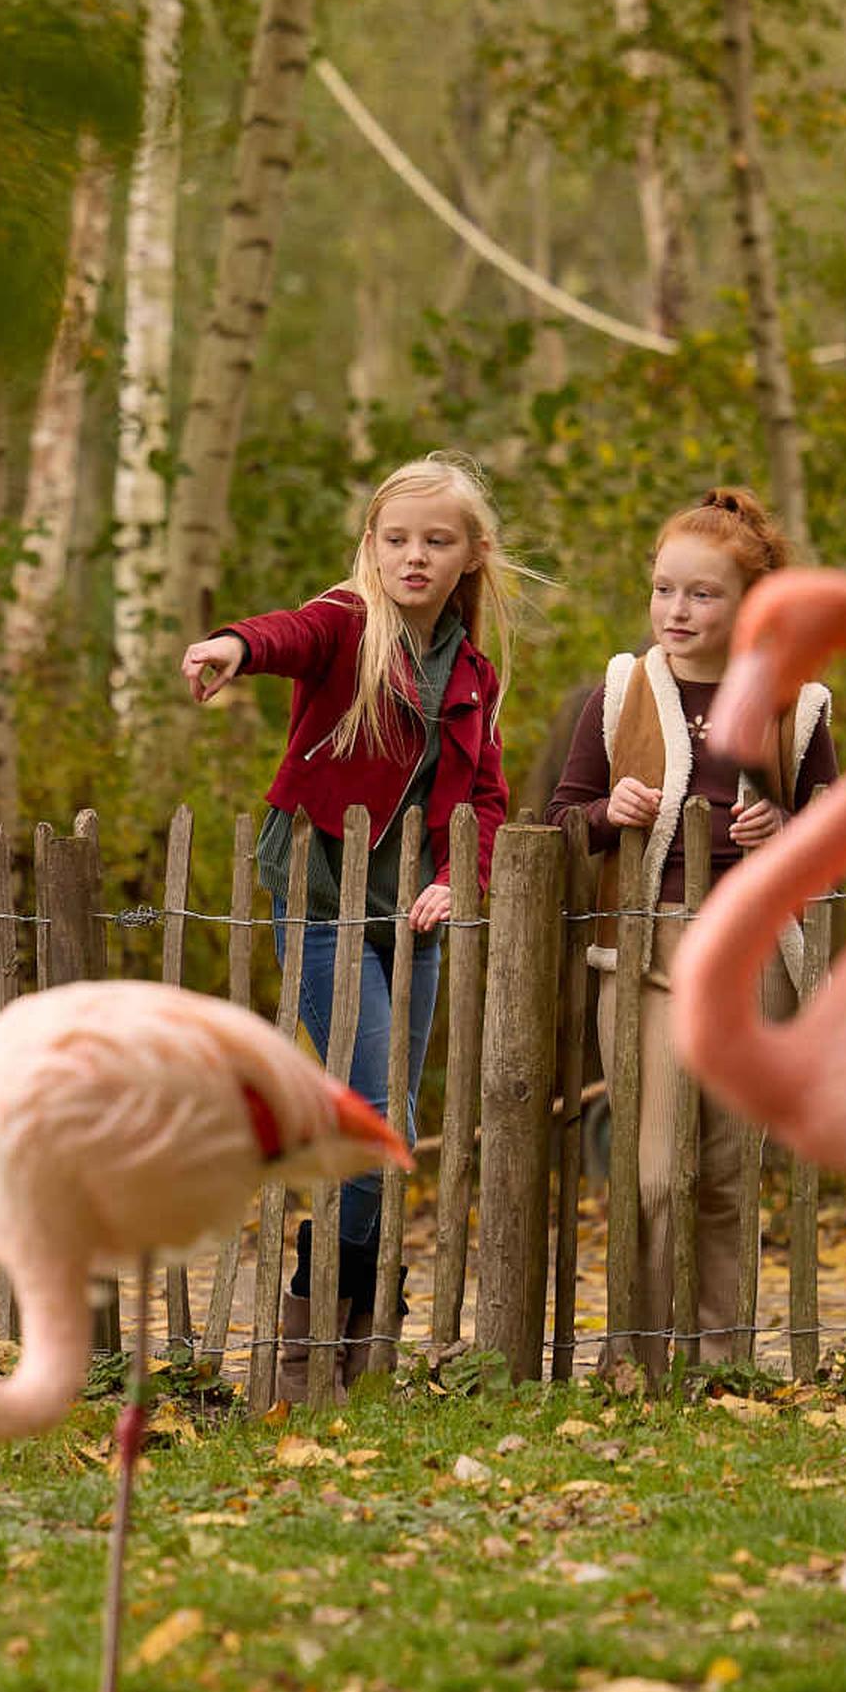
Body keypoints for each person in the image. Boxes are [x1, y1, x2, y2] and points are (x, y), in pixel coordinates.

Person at [181, 451, 535, 1382]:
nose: (414, 557)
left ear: (470, 556)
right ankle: (310, 1342)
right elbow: (288, 633)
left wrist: (464, 877)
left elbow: (486, 798)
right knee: (373, 1115)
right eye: (397, 539)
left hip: (411, 916)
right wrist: (233, 647)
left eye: (438, 541)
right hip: (321, 898)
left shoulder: (473, 675)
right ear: (371, 547)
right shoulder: (347, 624)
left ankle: (354, 1338)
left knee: (394, 1124)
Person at [544, 488, 840, 1370]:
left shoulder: (798, 703)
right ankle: (636, 1352)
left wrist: (786, 831)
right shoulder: (623, 689)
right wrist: (610, 810)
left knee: (723, 1169)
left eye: (702, 595)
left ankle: (722, 1351)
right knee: (652, 1168)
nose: (677, 610)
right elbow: (563, 818)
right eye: (664, 589)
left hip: (751, 955)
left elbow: (832, 830)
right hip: (645, 948)